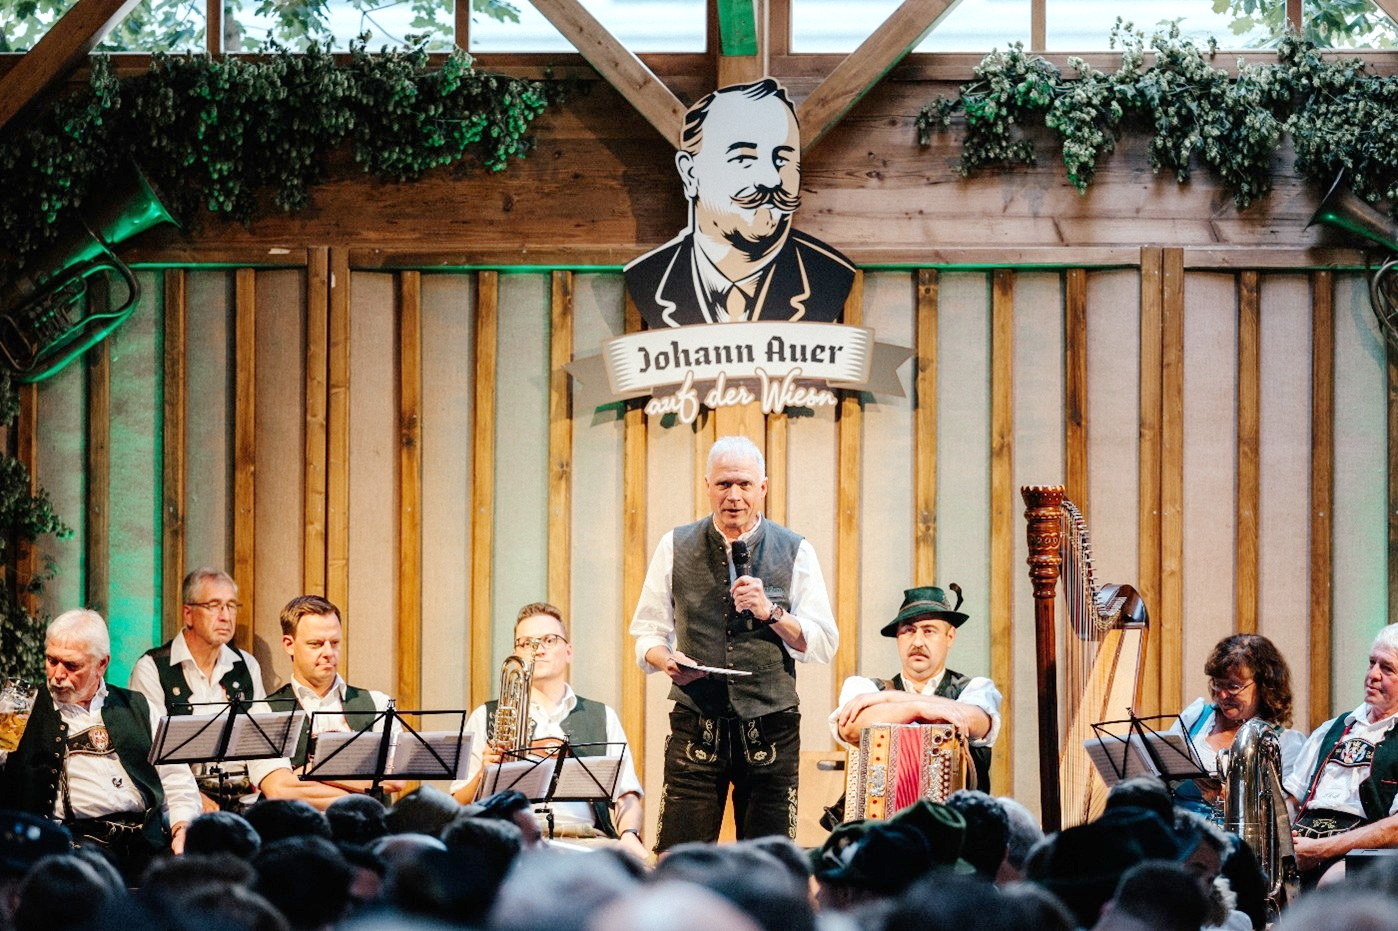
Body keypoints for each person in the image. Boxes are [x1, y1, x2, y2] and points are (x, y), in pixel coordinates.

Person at [630, 435, 837, 850]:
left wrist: (771, 613)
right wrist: (667, 660)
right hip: (697, 722)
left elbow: (822, 643)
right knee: (679, 858)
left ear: (763, 487)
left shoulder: (795, 549)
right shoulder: (675, 545)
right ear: (708, 485)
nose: (734, 496)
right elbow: (647, 631)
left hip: (771, 727)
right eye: (724, 484)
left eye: (744, 484)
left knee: (768, 862)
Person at [623, 79, 855, 328]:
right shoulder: (650, 278)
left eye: (782, 159)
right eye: (745, 157)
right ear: (690, 174)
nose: (771, 179)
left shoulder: (830, 276)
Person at [0, 609, 202, 880]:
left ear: (102, 664)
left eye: (71, 665)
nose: (57, 674)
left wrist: (182, 828)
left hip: (146, 844)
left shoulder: (138, 707)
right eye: (51, 660)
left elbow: (176, 781)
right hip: (70, 849)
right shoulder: (22, 710)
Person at [450, 602, 646, 859]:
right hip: (512, 842)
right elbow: (457, 803)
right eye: (526, 643)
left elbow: (627, 793)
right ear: (516, 654)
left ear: (568, 652)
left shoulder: (602, 716)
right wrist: (483, 775)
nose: (538, 650)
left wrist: (629, 834)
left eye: (549, 640)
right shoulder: (486, 716)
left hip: (588, 842)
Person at [829, 585, 1002, 796]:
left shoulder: (975, 688)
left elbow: (976, 721)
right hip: (882, 816)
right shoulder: (866, 688)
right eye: (909, 631)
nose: (918, 642)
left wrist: (892, 698)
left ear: (949, 637)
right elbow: (851, 728)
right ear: (898, 638)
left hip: (957, 816)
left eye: (929, 631)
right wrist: (918, 708)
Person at [128, 567, 268, 812]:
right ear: (188, 614)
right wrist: (191, 797)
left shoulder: (246, 665)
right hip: (182, 796)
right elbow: (150, 753)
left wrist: (268, 783)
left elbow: (262, 740)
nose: (226, 616)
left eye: (231, 606)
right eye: (214, 606)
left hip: (244, 794)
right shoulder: (152, 668)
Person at [249, 595, 402, 809]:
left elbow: (395, 778)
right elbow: (280, 790)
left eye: (335, 643)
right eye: (316, 644)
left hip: (366, 828)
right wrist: (363, 791)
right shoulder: (264, 712)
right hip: (297, 829)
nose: (329, 653)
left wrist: (312, 769)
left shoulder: (378, 704)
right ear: (289, 645)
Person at [1284, 622, 1398, 886]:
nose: (1373, 674)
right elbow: (1292, 802)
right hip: (1303, 842)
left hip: (1368, 855)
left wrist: (1320, 849)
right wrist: (1282, 841)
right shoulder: (1332, 729)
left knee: (1332, 884)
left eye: (1387, 668)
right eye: (1372, 663)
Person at [1171, 633, 1304, 821]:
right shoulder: (1196, 717)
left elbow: (1282, 816)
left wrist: (1231, 799)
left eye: (1233, 686)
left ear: (1264, 686)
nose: (1222, 695)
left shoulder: (1285, 743)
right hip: (1175, 826)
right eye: (1217, 684)